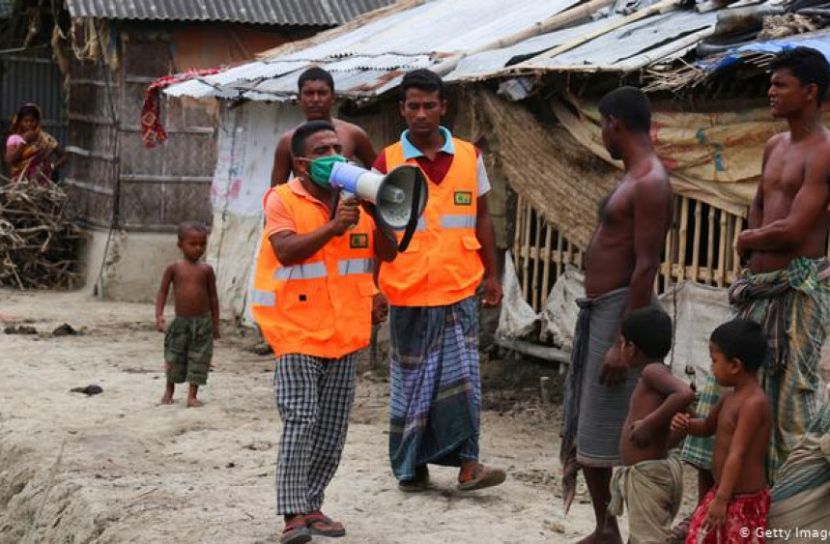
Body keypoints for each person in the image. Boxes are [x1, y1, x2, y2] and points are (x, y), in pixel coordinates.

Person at [679, 47, 830, 531]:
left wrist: (747, 240)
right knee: (721, 393)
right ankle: (710, 510)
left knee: (789, 407)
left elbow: (794, 227)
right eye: (770, 84)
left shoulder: (824, 152)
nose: (770, 92)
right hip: (757, 289)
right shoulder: (773, 146)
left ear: (810, 93)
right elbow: (759, 209)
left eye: (780, 84)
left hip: (795, 292)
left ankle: (794, 518)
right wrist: (747, 259)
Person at [250, 120, 397, 544]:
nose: (335, 156)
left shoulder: (356, 200)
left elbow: (385, 252)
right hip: (294, 328)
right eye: (321, 151)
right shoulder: (282, 198)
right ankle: (293, 515)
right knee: (301, 418)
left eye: (338, 147)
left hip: (344, 331)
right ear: (300, 164)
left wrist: (378, 212)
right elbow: (286, 251)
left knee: (332, 427)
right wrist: (334, 226)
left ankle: (313, 505)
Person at [372, 68, 505, 492]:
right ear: (402, 109)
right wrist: (373, 287)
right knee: (412, 384)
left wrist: (493, 275)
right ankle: (411, 467)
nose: (422, 113)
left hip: (459, 287)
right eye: (413, 106)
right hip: (407, 290)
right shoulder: (387, 162)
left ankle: (469, 465)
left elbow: (483, 218)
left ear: (443, 107)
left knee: (463, 382)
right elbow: (374, 232)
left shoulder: (470, 156)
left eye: (430, 105)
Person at [559, 86, 672, 544]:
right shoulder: (634, 176)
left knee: (614, 429)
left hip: (620, 314)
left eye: (601, 126)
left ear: (613, 123)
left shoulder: (651, 182)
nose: (601, 134)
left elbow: (646, 264)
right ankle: (605, 527)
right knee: (590, 427)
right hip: (602, 312)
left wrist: (623, 341)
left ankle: (628, 527)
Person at [671, 319, 772, 544]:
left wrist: (722, 499)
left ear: (735, 365)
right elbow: (707, 427)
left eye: (714, 360)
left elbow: (738, 453)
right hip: (723, 493)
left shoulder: (753, 404)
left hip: (741, 500)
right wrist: (687, 424)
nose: (711, 367)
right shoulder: (730, 397)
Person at [607, 308, 694, 544]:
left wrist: (649, 423)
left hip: (649, 478)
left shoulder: (652, 371)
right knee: (644, 535)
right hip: (649, 474)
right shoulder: (656, 375)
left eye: (622, 342)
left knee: (648, 539)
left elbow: (685, 393)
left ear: (632, 348)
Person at [270, 67, 376, 186]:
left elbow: (379, 177)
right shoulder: (288, 141)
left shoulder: (353, 134)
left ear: (333, 98)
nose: (315, 99)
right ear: (299, 98)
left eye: (322, 93)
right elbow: (276, 191)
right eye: (309, 93)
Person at [155, 221, 220, 408]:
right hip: (180, 323)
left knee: (199, 358)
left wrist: (215, 324)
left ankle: (192, 395)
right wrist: (158, 315)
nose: (198, 248)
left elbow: (213, 298)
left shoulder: (206, 270)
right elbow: (162, 292)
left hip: (203, 324)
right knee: (174, 357)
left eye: (202, 244)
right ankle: (169, 390)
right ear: (180, 245)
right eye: (193, 244)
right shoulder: (174, 268)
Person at [4, 103, 67, 183]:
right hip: (21, 185)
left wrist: (52, 167)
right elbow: (10, 160)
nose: (29, 124)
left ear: (37, 121)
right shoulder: (15, 138)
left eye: (32, 121)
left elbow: (64, 156)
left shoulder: (44, 138)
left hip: (43, 184)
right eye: (26, 121)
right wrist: (24, 141)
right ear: (20, 122)